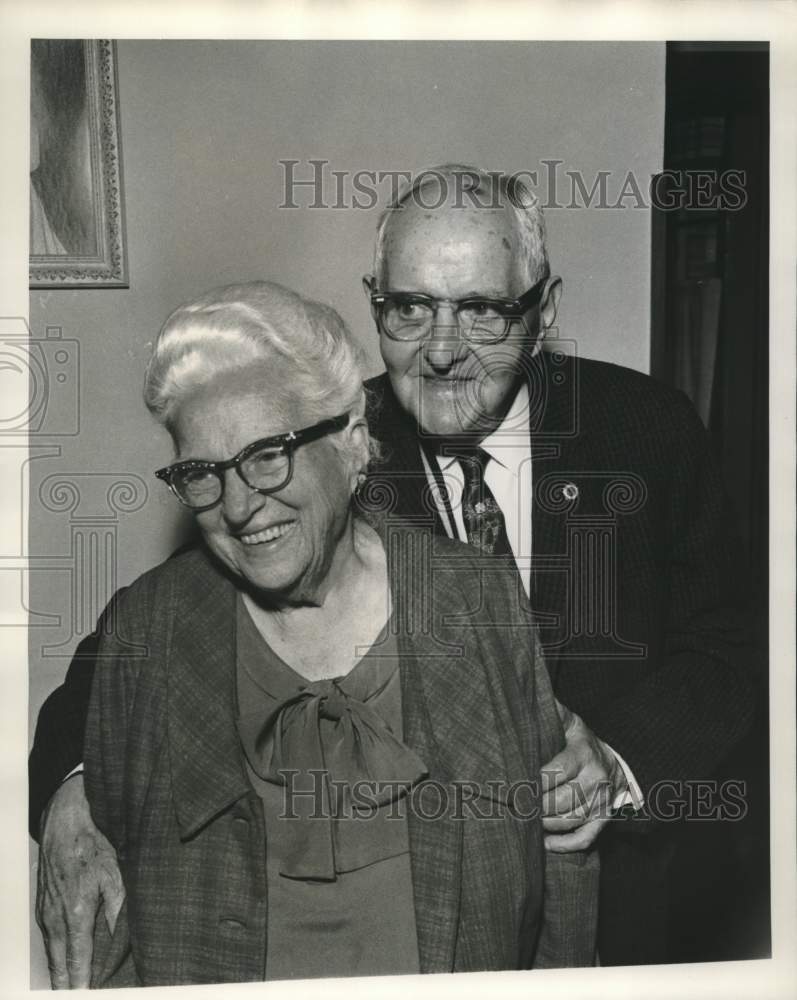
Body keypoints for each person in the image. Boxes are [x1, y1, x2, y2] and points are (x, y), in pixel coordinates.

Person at [29, 164, 754, 980]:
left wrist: (617, 762)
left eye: (480, 309)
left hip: (622, 898)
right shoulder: (321, 446)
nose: (440, 351)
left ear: (542, 309)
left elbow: (731, 646)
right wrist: (72, 792)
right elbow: (144, 641)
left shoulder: (643, 429)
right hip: (435, 921)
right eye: (409, 308)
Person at [55, 280, 598, 986]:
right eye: (203, 473)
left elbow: (558, 868)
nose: (241, 505)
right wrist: (69, 790)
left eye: (266, 454)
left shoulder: (474, 595)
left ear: (347, 443)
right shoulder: (151, 628)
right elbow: (112, 913)